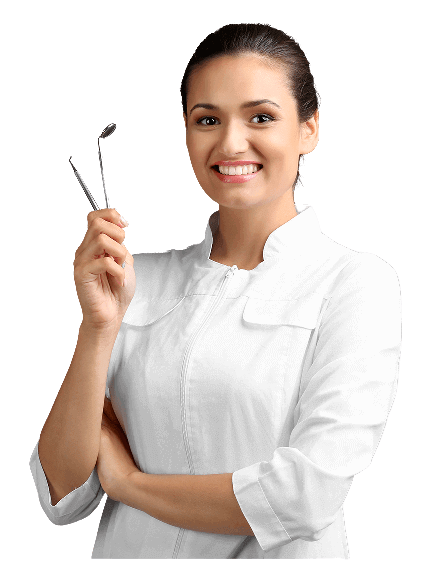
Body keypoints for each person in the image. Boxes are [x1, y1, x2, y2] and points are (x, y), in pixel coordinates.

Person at [29, 23, 402, 559]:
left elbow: (303, 498)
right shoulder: (138, 279)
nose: (230, 142)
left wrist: (131, 485)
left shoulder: (355, 283)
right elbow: (62, 495)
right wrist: (99, 327)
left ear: (309, 129)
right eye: (208, 119)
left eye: (261, 117)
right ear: (186, 132)